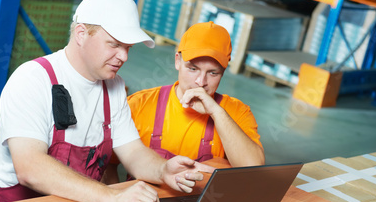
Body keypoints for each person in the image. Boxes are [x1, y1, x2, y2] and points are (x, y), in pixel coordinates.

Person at [0, 0, 214, 202]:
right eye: (114, 45)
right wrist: (112, 196)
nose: (124, 57)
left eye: (127, 48)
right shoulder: (33, 79)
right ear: (81, 34)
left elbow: (133, 152)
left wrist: (163, 170)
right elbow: (30, 168)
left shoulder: (113, 87)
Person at [105, 21, 264, 182]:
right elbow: (107, 164)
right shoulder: (139, 105)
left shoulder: (236, 111)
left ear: (223, 72)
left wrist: (216, 113)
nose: (201, 82)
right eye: (193, 69)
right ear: (177, 61)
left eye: (213, 73)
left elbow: (252, 170)